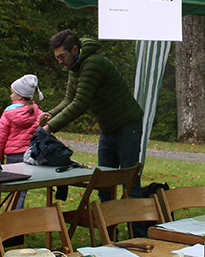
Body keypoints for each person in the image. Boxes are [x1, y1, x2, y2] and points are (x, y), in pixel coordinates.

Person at [40, 29, 144, 197]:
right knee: (103, 182)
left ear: (75, 50)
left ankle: (136, 215)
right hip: (108, 128)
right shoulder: (74, 67)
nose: (60, 61)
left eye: (62, 56)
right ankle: (107, 215)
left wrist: (49, 128)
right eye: (57, 57)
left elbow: (80, 103)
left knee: (129, 182)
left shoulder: (93, 64)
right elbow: (69, 99)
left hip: (127, 126)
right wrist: (49, 116)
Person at [0, 74, 43, 164]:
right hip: (32, 155)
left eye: (12, 93)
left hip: (13, 156)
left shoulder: (9, 112)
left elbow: (0, 138)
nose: (10, 96)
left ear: (20, 96)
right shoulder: (39, 113)